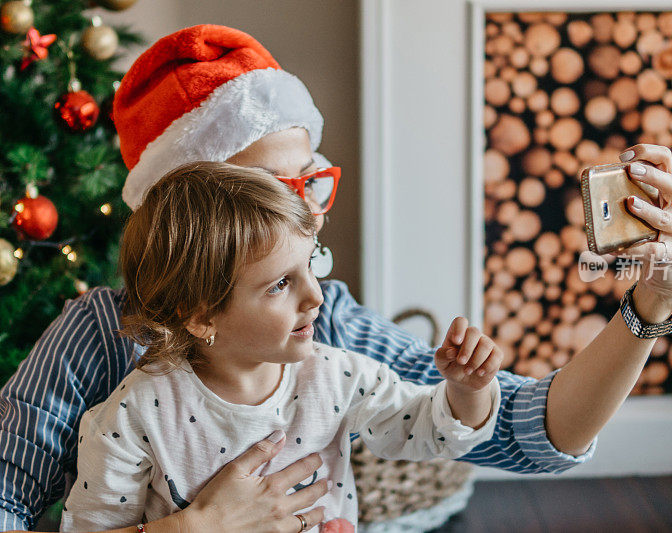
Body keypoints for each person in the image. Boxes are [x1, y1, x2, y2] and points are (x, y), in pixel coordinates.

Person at [0, 24, 672, 532]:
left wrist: (648, 306)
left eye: (311, 178)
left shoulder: (325, 330)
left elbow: (522, 430)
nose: (307, 211)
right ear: (188, 212)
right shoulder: (104, 344)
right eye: (272, 188)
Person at [59, 161, 502, 532]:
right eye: (280, 285)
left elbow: (429, 431)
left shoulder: (337, 376)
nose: (316, 296)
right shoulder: (135, 416)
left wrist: (468, 390)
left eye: (309, 264)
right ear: (199, 316)